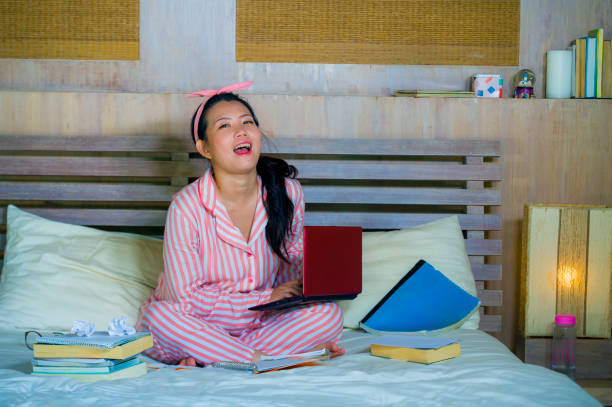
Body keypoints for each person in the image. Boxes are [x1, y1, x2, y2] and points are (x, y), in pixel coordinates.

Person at [137, 82, 345, 366]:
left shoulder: (287, 192)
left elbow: (290, 263)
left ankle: (217, 356)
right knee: (161, 318)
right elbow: (186, 299)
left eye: (248, 122)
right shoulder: (185, 207)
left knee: (328, 315)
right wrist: (265, 298)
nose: (241, 131)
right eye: (225, 126)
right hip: (196, 322)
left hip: (259, 325)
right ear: (204, 148)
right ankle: (266, 360)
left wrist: (314, 279)